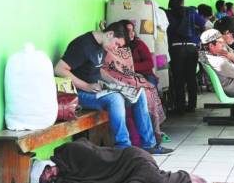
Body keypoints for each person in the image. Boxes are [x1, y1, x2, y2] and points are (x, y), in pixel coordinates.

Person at [54, 24, 172, 154]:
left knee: (139, 92)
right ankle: (123, 147)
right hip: (78, 94)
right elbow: (59, 69)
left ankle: (149, 145)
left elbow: (99, 70)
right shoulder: (82, 45)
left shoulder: (103, 44)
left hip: (96, 91)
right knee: (115, 98)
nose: (115, 48)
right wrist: (86, 86)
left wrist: (118, 84)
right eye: (116, 44)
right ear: (110, 34)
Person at [31, 138, 207, 183]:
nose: (49, 175)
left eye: (47, 170)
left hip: (132, 161)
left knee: (159, 180)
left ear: (49, 165)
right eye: (45, 179)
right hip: (125, 174)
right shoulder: (65, 175)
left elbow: (91, 153)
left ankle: (188, 178)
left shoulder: (70, 152)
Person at [166, 0, 206, 114]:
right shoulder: (191, 12)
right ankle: (192, 106)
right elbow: (207, 25)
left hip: (176, 48)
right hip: (191, 48)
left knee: (178, 78)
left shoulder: (167, 13)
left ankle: (180, 107)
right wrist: (198, 34)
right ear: (183, 0)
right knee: (191, 77)